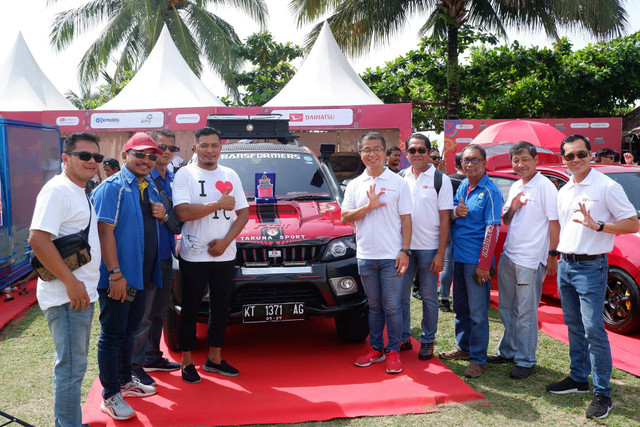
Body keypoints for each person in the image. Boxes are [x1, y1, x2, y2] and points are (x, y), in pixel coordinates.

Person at [546, 134, 638, 419]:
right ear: (563, 159)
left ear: (591, 155)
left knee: (593, 331)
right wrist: (554, 255)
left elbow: (632, 222)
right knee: (573, 326)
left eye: (581, 154)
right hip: (566, 265)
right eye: (569, 156)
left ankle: (603, 393)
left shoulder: (606, 186)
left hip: (591, 268)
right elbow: (562, 228)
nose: (575, 160)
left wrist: (598, 225)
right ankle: (578, 379)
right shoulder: (564, 189)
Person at [28, 132, 103, 427]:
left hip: (79, 294)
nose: (92, 162)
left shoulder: (78, 189)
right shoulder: (58, 189)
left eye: (96, 157)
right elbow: (37, 239)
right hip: (67, 296)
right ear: (65, 158)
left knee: (75, 366)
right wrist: (72, 283)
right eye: (84, 156)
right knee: (71, 369)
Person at [91, 133, 166, 420]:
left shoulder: (149, 187)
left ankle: (124, 380)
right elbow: (103, 232)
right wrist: (114, 274)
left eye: (152, 156)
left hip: (142, 276)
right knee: (112, 335)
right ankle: (110, 394)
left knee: (127, 331)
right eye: (141, 154)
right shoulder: (113, 187)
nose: (147, 160)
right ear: (126, 155)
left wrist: (161, 213)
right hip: (118, 278)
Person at [173, 127, 249, 384]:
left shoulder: (230, 174)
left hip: (225, 254)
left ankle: (214, 358)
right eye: (204, 145)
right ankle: (186, 360)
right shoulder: (185, 174)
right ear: (195, 148)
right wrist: (217, 204)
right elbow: (183, 212)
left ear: (221, 147)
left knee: (220, 308)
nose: (209, 150)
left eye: (214, 145)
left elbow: (243, 214)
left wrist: (226, 242)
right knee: (191, 309)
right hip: (194, 255)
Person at [488, 141, 560, 379]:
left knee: (525, 311)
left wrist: (552, 254)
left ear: (535, 159)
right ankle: (508, 350)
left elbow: (554, 223)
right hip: (510, 255)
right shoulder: (517, 185)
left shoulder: (545, 187)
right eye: (516, 160)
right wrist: (514, 206)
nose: (520, 165)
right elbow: (506, 219)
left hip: (530, 260)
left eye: (524, 159)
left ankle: (526, 360)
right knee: (507, 308)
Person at [342, 132, 412, 374]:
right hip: (366, 255)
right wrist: (367, 207)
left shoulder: (398, 183)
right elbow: (344, 217)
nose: (371, 154)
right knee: (373, 306)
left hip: (392, 255)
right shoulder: (354, 184)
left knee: (392, 306)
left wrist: (405, 250)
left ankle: (393, 351)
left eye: (376, 149)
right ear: (360, 153)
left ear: (385, 152)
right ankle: (376, 349)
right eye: (366, 149)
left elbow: (406, 220)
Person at [439, 143, 502, 379]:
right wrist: (456, 211)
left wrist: (484, 264)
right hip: (458, 257)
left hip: (476, 263)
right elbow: (454, 210)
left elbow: (492, 229)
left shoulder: (491, 191)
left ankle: (478, 358)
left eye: (475, 160)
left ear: (485, 163)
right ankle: (463, 348)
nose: (470, 164)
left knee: (477, 313)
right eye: (466, 160)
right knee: (461, 308)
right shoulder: (464, 184)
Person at [131, 130, 181, 386]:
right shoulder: (141, 179)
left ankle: (151, 356)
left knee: (160, 310)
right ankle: (134, 365)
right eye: (162, 147)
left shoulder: (174, 178)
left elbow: (178, 219)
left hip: (166, 256)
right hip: (144, 257)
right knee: (143, 313)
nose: (167, 152)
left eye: (173, 148)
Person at [400, 133, 452, 360]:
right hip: (404, 249)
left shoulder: (440, 179)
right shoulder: (400, 177)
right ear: (406, 153)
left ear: (429, 152)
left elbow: (445, 220)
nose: (417, 154)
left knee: (429, 297)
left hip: (430, 248)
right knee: (401, 296)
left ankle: (428, 340)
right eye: (412, 150)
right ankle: (402, 336)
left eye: (422, 150)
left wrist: (441, 253)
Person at [438, 151, 465, 312]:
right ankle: (460, 297)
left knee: (448, 265)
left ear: (455, 164)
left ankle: (444, 299)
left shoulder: (448, 180)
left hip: (447, 225)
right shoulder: (472, 182)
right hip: (466, 229)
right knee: (462, 265)